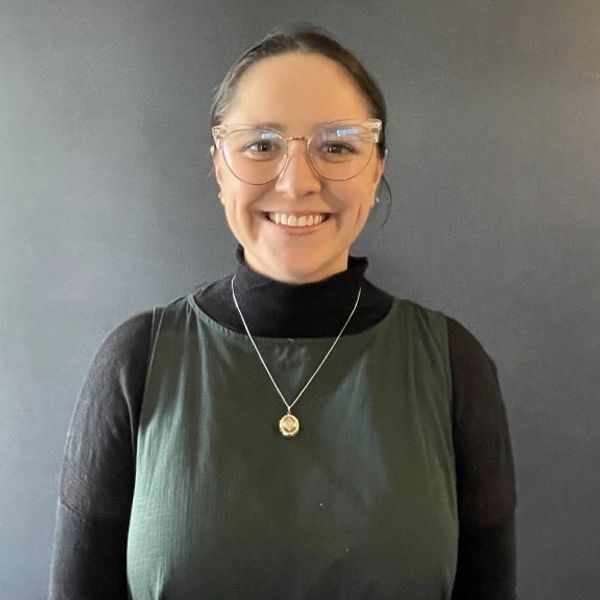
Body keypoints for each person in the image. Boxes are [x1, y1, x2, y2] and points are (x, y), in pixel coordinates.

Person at [49, 23, 517, 599]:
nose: (297, 183)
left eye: (338, 145)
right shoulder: (136, 362)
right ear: (220, 169)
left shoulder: (452, 365)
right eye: (261, 144)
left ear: (376, 172)